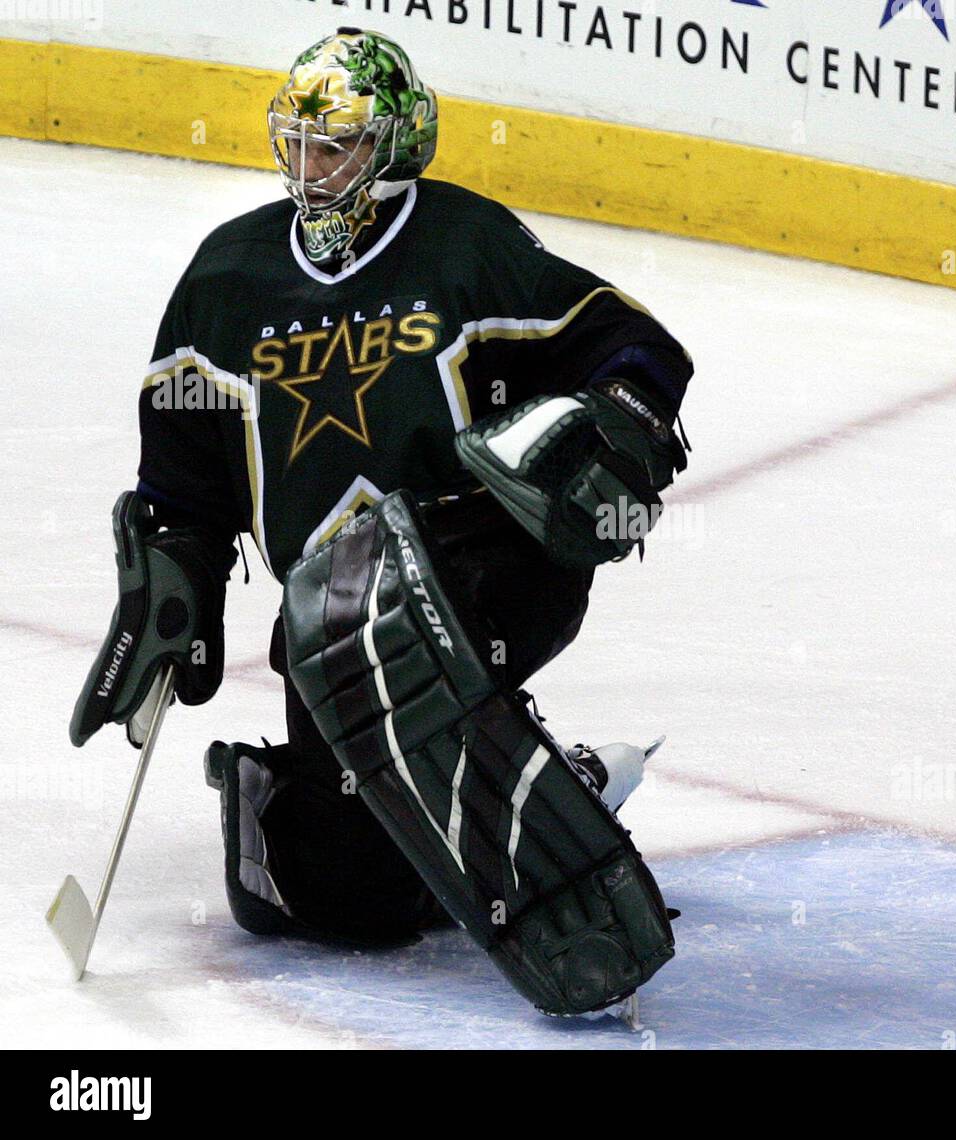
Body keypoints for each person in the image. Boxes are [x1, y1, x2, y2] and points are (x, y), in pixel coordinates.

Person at [72, 27, 691, 1013]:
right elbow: (182, 471)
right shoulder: (227, 278)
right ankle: (495, 781)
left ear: (395, 143)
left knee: (404, 631)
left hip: (486, 563)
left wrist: (618, 420)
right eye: (298, 143)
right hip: (325, 621)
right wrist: (170, 574)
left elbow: (630, 340)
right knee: (346, 905)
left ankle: (493, 767)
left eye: (339, 144)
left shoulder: (463, 243)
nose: (311, 168)